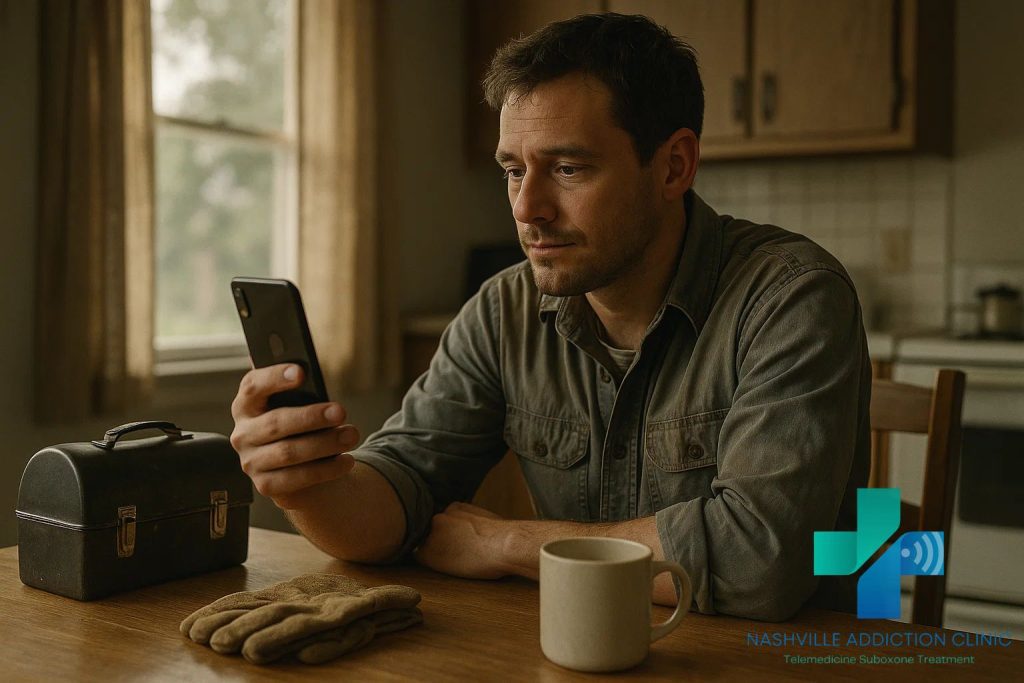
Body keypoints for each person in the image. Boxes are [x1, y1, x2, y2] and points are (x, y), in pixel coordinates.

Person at [229, 13, 869, 621]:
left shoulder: (792, 297)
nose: (527, 207)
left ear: (673, 166)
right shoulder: (502, 310)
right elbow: (399, 497)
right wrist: (305, 482)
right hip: (574, 649)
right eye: (513, 170)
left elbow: (761, 564)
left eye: (568, 168)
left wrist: (504, 543)